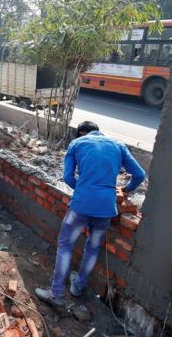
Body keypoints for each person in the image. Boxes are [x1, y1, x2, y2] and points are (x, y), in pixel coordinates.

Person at [35, 121, 146, 307]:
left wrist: (83, 190)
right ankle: (78, 286)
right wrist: (126, 189)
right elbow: (140, 175)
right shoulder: (118, 145)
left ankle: (56, 293)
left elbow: (68, 177)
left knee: (65, 246)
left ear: (81, 132)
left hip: (81, 205)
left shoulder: (77, 143)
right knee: (92, 248)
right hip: (106, 208)